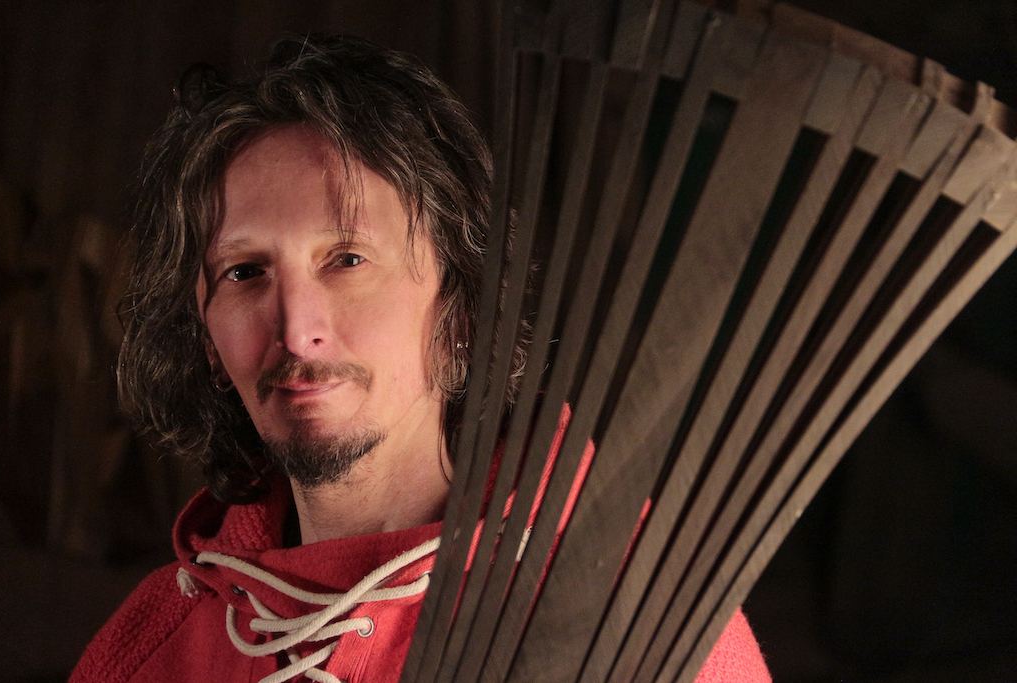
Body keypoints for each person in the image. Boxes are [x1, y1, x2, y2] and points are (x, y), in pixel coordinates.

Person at [70, 35, 771, 683]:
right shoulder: (153, 646)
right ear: (207, 342)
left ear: (460, 308)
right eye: (245, 272)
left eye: (347, 259)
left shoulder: (639, 621)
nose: (297, 330)